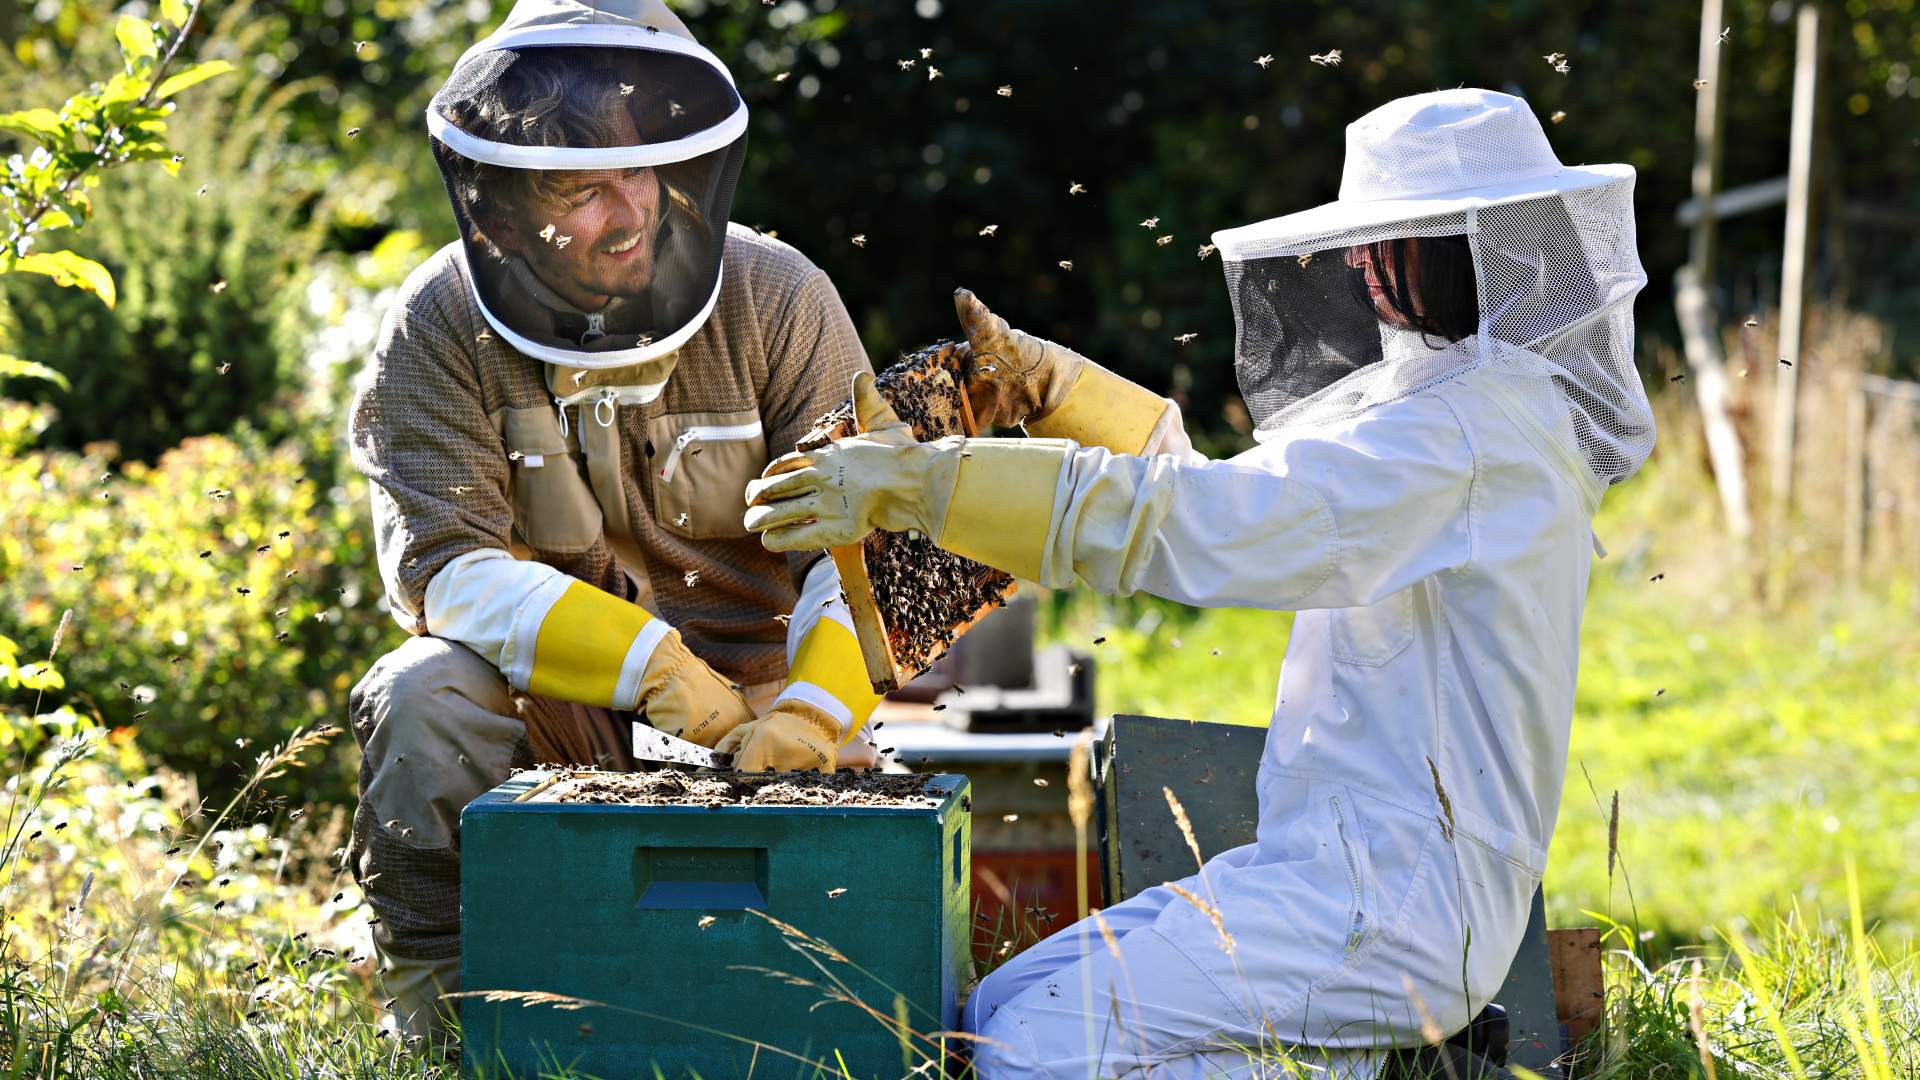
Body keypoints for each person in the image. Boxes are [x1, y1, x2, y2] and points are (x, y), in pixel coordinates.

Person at [746, 88, 1653, 1077]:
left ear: (1452, 248)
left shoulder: (1466, 439)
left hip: (1393, 901)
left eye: (1381, 240)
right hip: (1336, 873)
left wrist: (925, 486)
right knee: (995, 1007)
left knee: (1033, 1052)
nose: (1356, 264)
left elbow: (1219, 526)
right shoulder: (1450, 412)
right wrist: (1063, 391)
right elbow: (1238, 494)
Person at [346, 0, 887, 1048]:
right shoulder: (440, 320)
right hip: (558, 707)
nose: (631, 207)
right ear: (496, 209)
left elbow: (866, 539)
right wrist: (667, 683)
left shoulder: (776, 294)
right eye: (579, 186)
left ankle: (817, 1032)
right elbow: (446, 572)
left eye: (640, 169)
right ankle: (442, 1026)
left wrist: (809, 715)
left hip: (772, 704)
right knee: (421, 696)